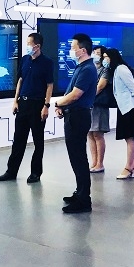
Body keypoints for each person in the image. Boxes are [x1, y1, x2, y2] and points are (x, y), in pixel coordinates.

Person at [0, 32, 54, 183]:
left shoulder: (47, 62)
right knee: (18, 140)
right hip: (23, 103)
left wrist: (46, 106)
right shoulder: (25, 59)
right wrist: (15, 101)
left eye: (29, 44)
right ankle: (11, 171)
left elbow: (49, 85)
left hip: (37, 105)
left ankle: (36, 173)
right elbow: (20, 80)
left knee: (38, 141)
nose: (27, 46)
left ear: (37, 46)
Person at [55, 33, 98, 214]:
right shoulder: (81, 67)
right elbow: (71, 92)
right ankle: (79, 192)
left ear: (83, 50)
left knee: (79, 158)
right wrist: (62, 106)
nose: (71, 51)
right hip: (73, 114)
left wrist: (57, 103)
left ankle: (83, 199)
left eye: (73, 48)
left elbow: (75, 95)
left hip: (79, 116)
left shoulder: (87, 69)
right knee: (76, 157)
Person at [110, 48, 134, 179]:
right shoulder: (116, 70)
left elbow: (133, 87)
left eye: (106, 57)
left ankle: (128, 168)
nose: (105, 60)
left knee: (130, 138)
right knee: (132, 138)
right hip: (125, 107)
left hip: (130, 107)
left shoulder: (121, 69)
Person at [88, 45, 110, 172]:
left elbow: (100, 86)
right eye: (94, 52)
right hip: (89, 105)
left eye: (98, 53)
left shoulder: (105, 70)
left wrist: (89, 96)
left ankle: (100, 163)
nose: (95, 55)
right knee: (90, 133)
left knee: (97, 134)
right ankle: (94, 162)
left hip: (99, 105)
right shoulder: (91, 68)